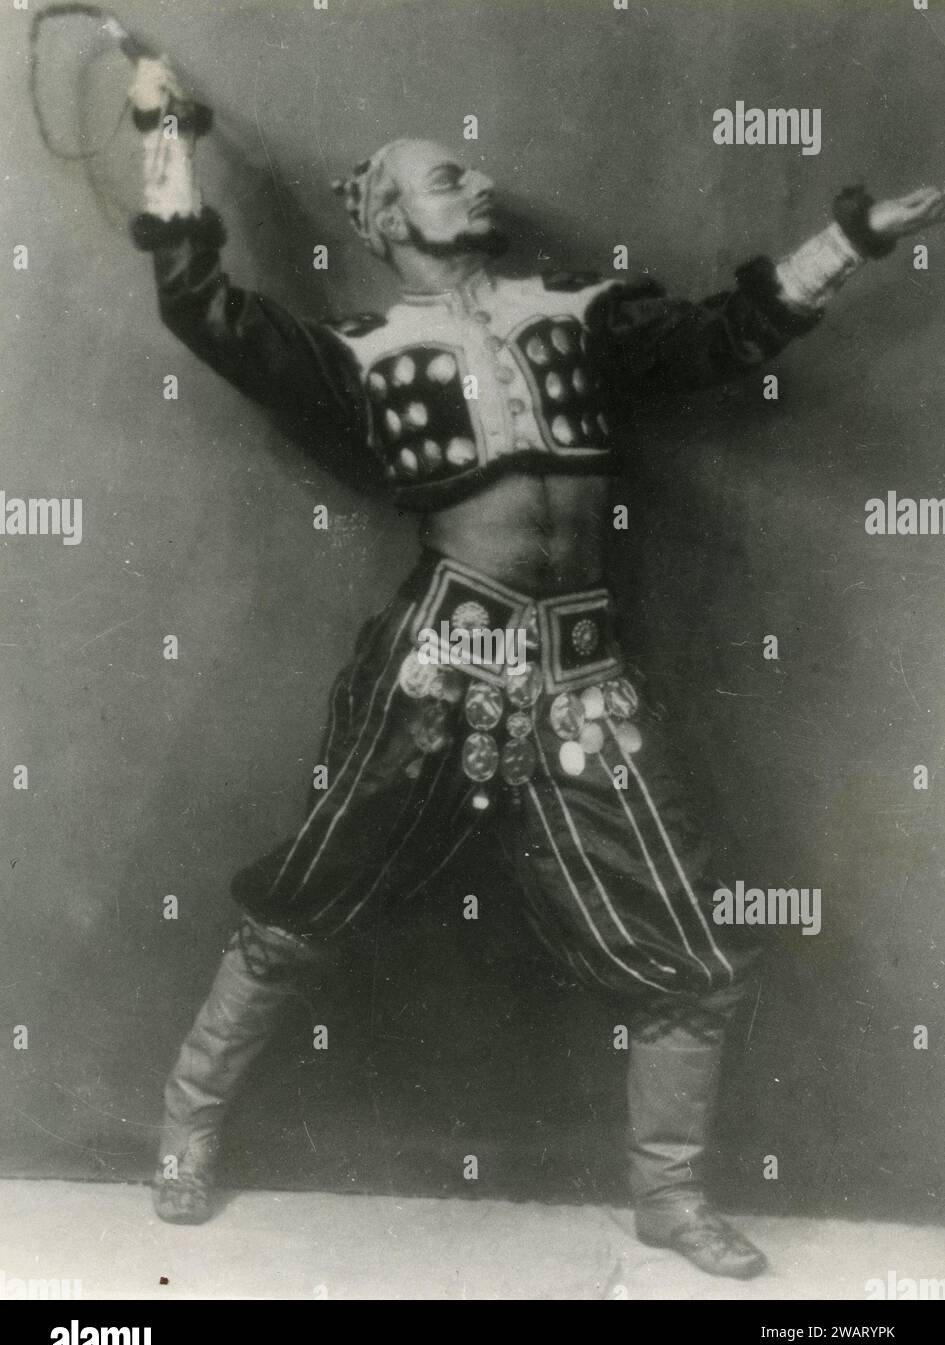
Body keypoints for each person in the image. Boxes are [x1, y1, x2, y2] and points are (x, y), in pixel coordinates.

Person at [129, 57, 945, 1278]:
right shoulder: (355, 351)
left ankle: (667, 1201)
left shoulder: (579, 314)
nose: (478, 178)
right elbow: (203, 309)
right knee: (307, 895)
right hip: (437, 657)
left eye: (473, 168)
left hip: (583, 673)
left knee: (695, 949)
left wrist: (852, 238)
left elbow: (726, 333)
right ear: (390, 215)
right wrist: (158, 127)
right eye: (445, 173)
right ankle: (185, 1126)